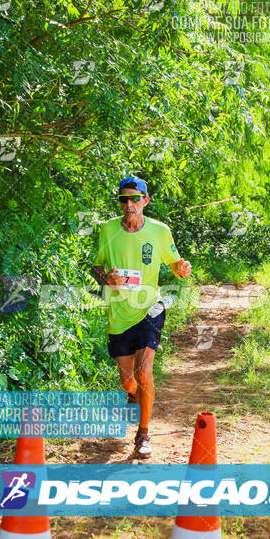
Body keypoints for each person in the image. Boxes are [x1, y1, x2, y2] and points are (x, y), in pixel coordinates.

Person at [92, 176, 191, 458]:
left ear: (145, 201)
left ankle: (143, 433)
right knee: (128, 381)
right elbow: (97, 265)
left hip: (150, 309)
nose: (129, 204)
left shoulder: (160, 232)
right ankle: (133, 394)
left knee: (143, 372)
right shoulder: (108, 229)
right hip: (119, 314)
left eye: (135, 198)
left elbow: (175, 265)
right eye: (124, 199)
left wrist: (182, 269)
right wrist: (106, 277)